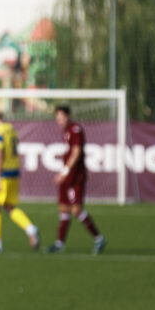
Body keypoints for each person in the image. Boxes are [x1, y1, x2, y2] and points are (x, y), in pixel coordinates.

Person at [46, 105, 107, 254]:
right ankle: (59, 244)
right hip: (67, 175)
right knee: (63, 208)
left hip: (75, 176)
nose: (59, 121)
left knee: (76, 210)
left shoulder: (75, 129)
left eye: (62, 117)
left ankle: (99, 239)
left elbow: (77, 151)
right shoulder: (66, 130)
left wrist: (65, 171)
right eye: (57, 118)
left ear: (69, 115)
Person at [0, 108, 40, 254]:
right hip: (14, 173)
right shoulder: (11, 129)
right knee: (9, 207)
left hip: (2, 174)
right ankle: (30, 228)